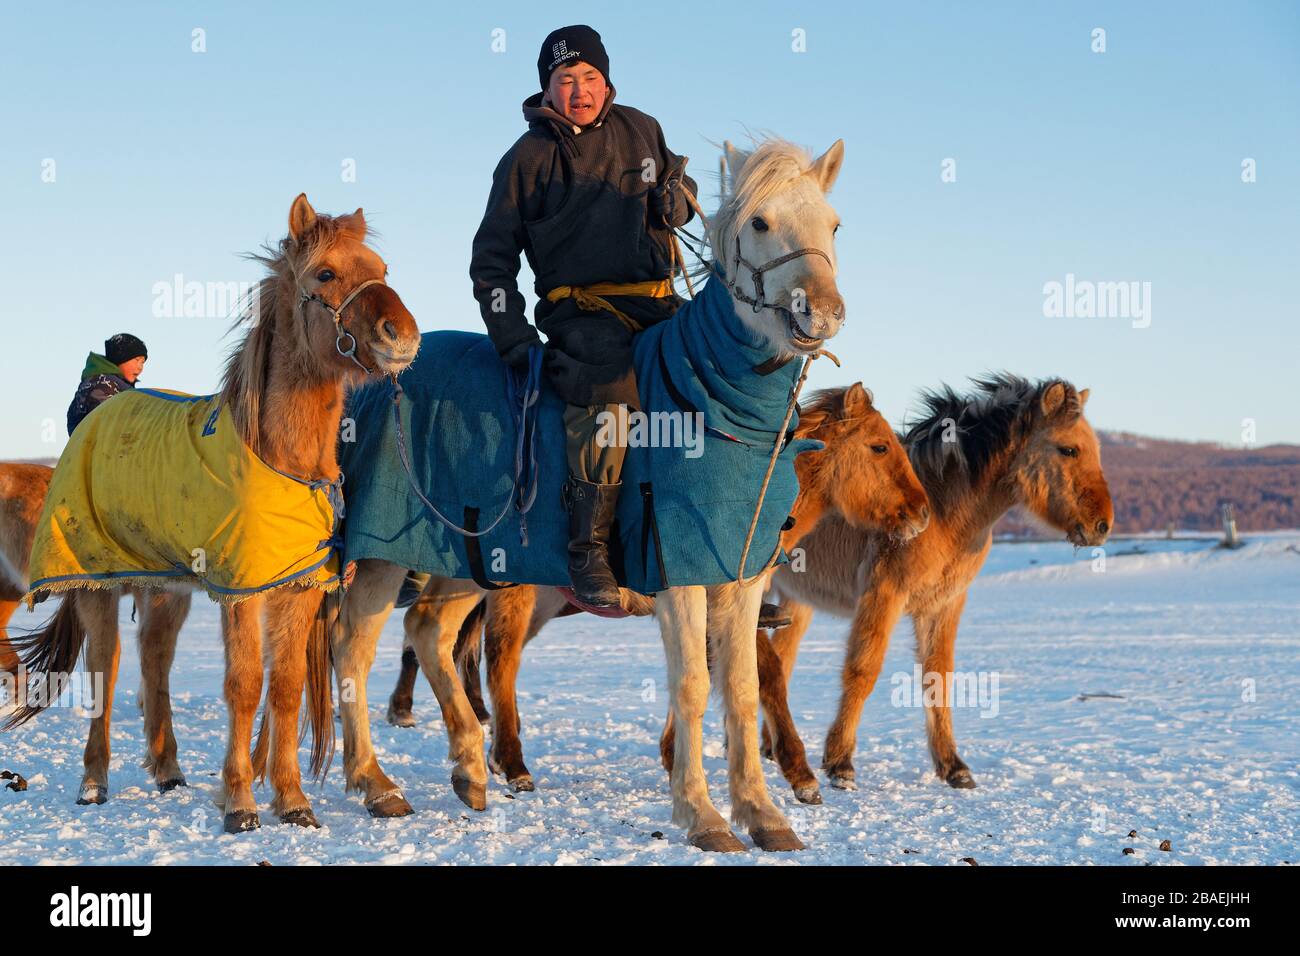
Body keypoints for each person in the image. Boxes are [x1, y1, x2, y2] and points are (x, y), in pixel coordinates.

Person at [470, 24, 698, 607]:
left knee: (716, 371)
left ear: (606, 81)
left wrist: (680, 196)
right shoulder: (526, 160)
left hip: (657, 299)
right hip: (583, 311)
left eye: (590, 78)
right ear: (547, 89)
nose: (580, 91)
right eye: (566, 79)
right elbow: (491, 262)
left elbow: (678, 180)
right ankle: (588, 552)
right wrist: (512, 336)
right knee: (610, 400)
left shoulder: (641, 129)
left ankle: (719, 548)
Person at [66, 332, 148, 435]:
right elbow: (109, 425)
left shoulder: (118, 385)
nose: (140, 367)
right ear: (121, 358)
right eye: (137, 360)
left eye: (142, 362)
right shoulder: (102, 385)